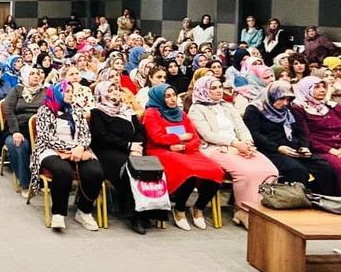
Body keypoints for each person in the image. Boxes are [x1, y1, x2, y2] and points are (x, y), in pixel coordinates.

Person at [187, 76, 277, 227]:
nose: (219, 90)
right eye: (213, 88)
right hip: (215, 148)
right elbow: (208, 134)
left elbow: (241, 127)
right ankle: (243, 210)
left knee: (270, 170)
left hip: (238, 145)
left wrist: (247, 142)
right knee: (247, 173)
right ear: (203, 90)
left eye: (220, 87)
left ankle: (261, 210)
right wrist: (234, 143)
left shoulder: (227, 106)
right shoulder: (196, 109)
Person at [142, 84, 224, 230]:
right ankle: (179, 209)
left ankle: (198, 208)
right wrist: (177, 138)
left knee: (216, 170)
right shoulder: (151, 113)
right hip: (161, 151)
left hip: (186, 150)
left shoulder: (180, 113)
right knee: (188, 171)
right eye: (167, 96)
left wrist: (185, 146)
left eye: (174, 95)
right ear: (159, 98)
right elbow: (156, 137)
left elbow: (194, 137)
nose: (172, 99)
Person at [243, 81, 339, 195]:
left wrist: (304, 146)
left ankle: (324, 200)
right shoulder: (255, 109)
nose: (285, 103)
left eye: (288, 99)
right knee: (297, 170)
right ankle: (297, 204)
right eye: (282, 99)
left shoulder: (288, 109)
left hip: (292, 148)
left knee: (324, 167)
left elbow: (300, 131)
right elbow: (254, 134)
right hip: (270, 150)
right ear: (272, 96)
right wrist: (278, 148)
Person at [31, 81, 102, 231]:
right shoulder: (45, 110)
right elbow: (46, 137)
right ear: (57, 93)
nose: (70, 94)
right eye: (67, 91)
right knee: (62, 171)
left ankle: (84, 211)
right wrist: (71, 150)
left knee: (95, 172)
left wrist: (81, 147)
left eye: (71, 91)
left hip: (78, 149)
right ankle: (58, 213)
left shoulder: (76, 109)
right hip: (50, 149)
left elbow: (85, 134)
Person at [89, 81, 149, 234]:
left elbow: (140, 131)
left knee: (148, 168)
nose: (115, 92)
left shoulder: (127, 111)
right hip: (108, 151)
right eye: (110, 90)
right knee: (130, 170)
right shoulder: (97, 112)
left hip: (133, 149)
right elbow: (101, 136)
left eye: (116, 89)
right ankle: (135, 216)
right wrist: (128, 146)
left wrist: (138, 146)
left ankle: (148, 211)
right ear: (102, 94)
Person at [290, 76, 341, 192]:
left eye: (324, 87)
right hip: (321, 149)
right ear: (306, 89)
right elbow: (306, 136)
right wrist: (331, 150)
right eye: (317, 87)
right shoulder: (299, 108)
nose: (323, 90)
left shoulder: (332, 106)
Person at [1, 66, 45, 192]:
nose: (36, 76)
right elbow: (8, 110)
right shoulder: (17, 90)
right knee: (20, 146)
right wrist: (15, 132)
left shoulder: (45, 91)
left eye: (37, 73)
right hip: (19, 128)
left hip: (39, 130)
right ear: (25, 76)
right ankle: (26, 184)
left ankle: (41, 181)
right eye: (32, 74)